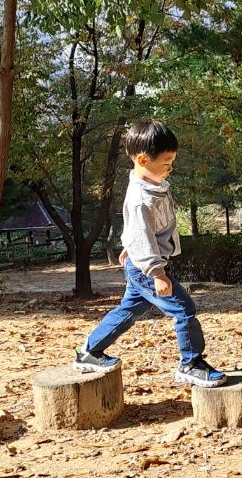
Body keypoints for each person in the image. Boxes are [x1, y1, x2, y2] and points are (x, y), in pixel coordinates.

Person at [74, 120, 226, 386]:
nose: (171, 168)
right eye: (167, 163)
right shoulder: (141, 197)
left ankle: (89, 351)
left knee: (128, 310)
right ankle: (191, 363)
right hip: (147, 269)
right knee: (184, 309)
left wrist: (128, 246)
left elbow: (137, 229)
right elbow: (141, 229)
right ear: (144, 160)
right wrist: (157, 272)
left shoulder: (152, 184)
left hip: (140, 262)